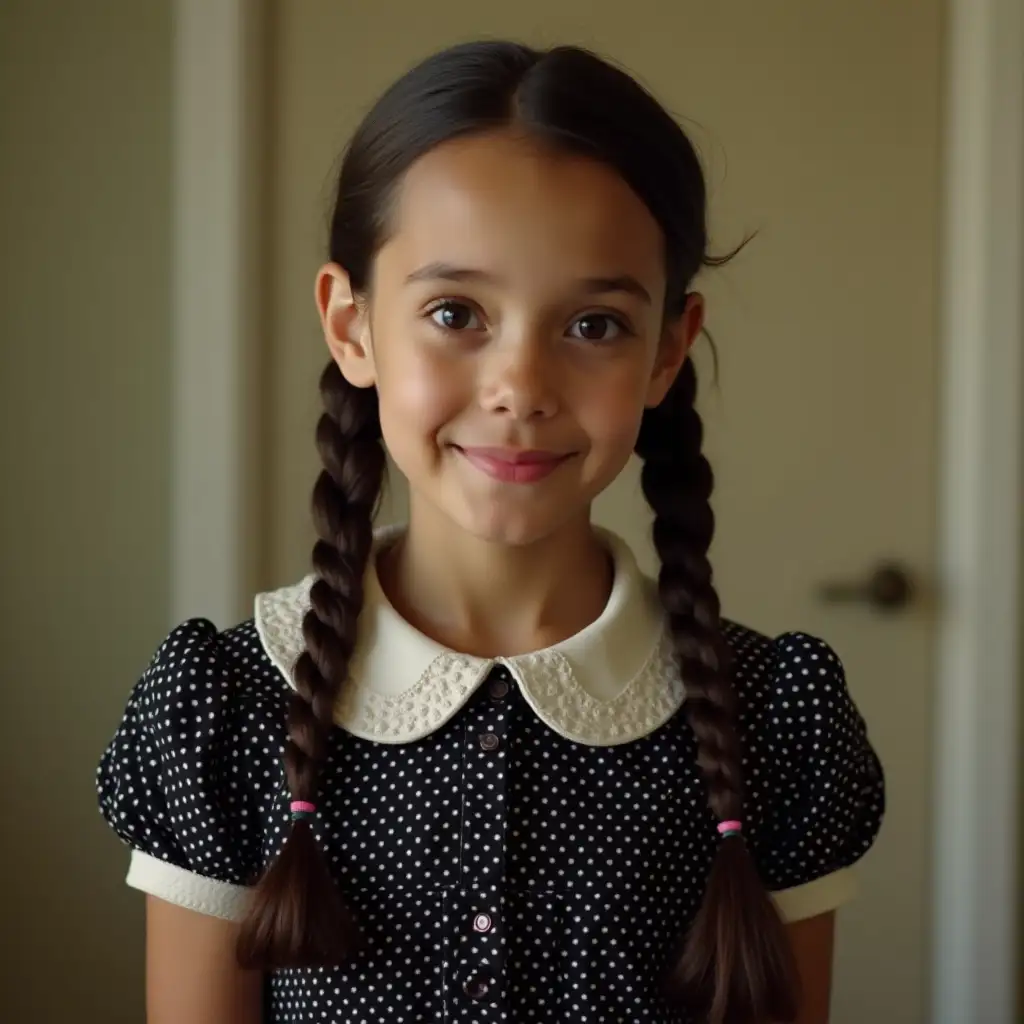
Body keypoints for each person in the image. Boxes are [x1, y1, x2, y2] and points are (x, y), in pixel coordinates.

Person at [97, 40, 884, 1024]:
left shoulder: (774, 720)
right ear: (351, 326)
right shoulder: (223, 707)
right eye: (455, 311)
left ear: (666, 352)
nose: (519, 388)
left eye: (592, 324)